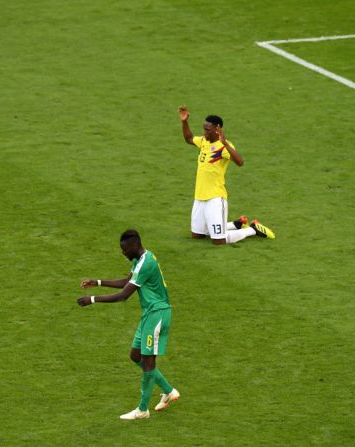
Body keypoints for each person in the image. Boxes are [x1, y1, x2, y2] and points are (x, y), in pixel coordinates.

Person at [77, 229, 180, 420]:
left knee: (148, 363)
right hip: (149, 313)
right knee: (135, 355)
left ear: (134, 245)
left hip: (157, 314)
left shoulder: (146, 263)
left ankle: (142, 410)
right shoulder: (139, 259)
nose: (122, 253)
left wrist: (92, 299)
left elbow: (124, 295)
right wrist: (97, 282)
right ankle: (168, 390)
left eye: (124, 250)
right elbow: (127, 281)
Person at [178, 105, 275, 244]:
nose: (204, 132)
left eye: (207, 129)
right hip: (199, 196)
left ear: (217, 129)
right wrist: (184, 121)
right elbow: (189, 138)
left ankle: (253, 229)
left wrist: (225, 143)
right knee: (197, 235)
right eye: (204, 128)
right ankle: (237, 224)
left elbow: (240, 162)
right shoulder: (204, 141)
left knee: (219, 240)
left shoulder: (224, 146)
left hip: (215, 198)